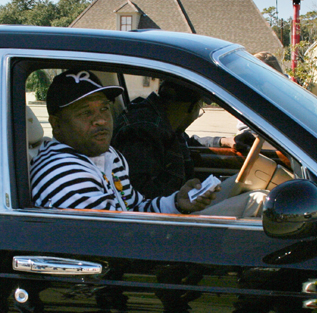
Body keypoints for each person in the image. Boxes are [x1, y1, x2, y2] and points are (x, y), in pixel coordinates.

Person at [30, 69, 217, 215]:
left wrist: (177, 202)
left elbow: (135, 208)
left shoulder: (109, 155)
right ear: (56, 124)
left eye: (104, 108)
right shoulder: (64, 174)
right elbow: (119, 239)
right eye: (85, 112)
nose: (101, 120)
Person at [112, 80, 267, 218]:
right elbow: (141, 193)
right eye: (199, 109)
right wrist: (178, 202)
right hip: (169, 217)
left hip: (182, 203)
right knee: (259, 201)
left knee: (251, 180)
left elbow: (190, 141)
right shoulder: (142, 132)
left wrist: (223, 141)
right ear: (190, 107)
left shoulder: (163, 124)